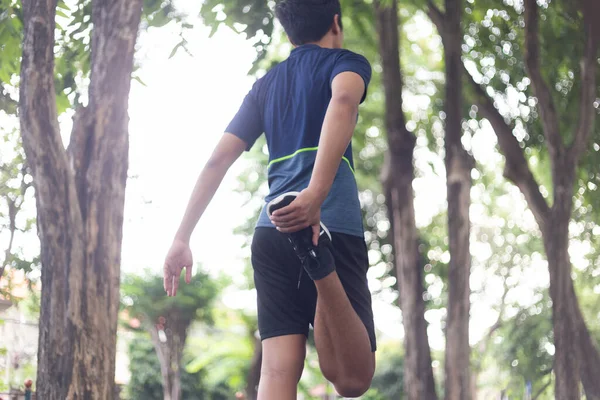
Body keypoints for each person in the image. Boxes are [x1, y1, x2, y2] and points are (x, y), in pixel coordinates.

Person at [163, 0, 376, 398]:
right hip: (329, 223)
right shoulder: (346, 63)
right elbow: (344, 101)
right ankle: (320, 263)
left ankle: (313, 258)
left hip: (272, 228)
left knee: (276, 372)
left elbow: (216, 160)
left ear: (289, 31)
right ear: (336, 23)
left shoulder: (266, 85)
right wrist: (315, 194)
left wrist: (182, 236)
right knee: (352, 380)